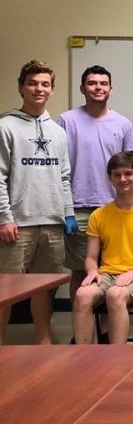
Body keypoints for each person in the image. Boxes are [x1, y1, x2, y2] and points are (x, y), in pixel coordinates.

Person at [0, 60, 75, 345]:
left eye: (45, 84)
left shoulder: (57, 131)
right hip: (17, 224)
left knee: (45, 289)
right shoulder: (5, 126)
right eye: (32, 83)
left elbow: (64, 176)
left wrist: (67, 212)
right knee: (6, 289)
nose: (38, 89)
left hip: (52, 223)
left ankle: (44, 343)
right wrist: (4, 217)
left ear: (52, 90)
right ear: (21, 87)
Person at [58, 65, 133, 316]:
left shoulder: (123, 124)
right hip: (79, 208)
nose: (98, 88)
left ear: (111, 89)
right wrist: (66, 208)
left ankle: (104, 328)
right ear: (83, 88)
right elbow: (60, 166)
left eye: (103, 84)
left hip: (115, 208)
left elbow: (130, 169)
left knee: (111, 270)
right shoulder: (67, 120)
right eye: (92, 83)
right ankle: (81, 328)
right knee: (81, 272)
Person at [72, 152, 133, 344]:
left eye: (128, 173)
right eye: (117, 175)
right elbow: (91, 256)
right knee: (82, 295)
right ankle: (83, 358)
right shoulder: (99, 215)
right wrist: (92, 271)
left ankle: (118, 361)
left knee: (115, 295)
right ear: (110, 178)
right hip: (107, 274)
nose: (123, 179)